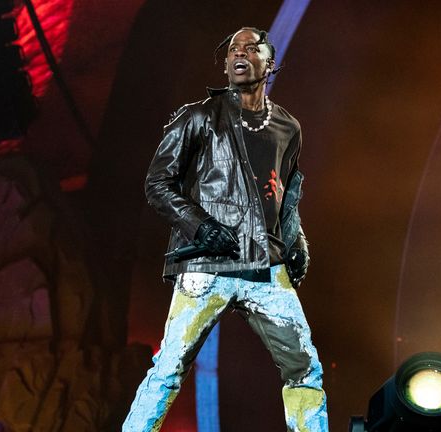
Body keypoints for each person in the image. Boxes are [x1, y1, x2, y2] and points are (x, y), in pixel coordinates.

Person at [123, 27, 328, 431]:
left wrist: (296, 240)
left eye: (251, 48)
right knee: (168, 369)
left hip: (266, 268)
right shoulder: (198, 117)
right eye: (233, 49)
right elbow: (157, 184)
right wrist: (200, 227)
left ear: (269, 63)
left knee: (305, 368)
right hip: (206, 266)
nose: (240, 54)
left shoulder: (288, 127)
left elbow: (284, 195)